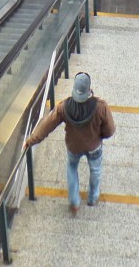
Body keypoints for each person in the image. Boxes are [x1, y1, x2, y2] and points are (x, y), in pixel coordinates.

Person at [24, 72, 116, 215]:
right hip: (94, 147)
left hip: (74, 147)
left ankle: (74, 202)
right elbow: (110, 130)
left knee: (72, 168)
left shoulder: (64, 107)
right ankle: (92, 198)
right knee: (95, 169)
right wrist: (99, 136)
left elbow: (47, 125)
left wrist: (31, 140)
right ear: (89, 89)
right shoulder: (100, 107)